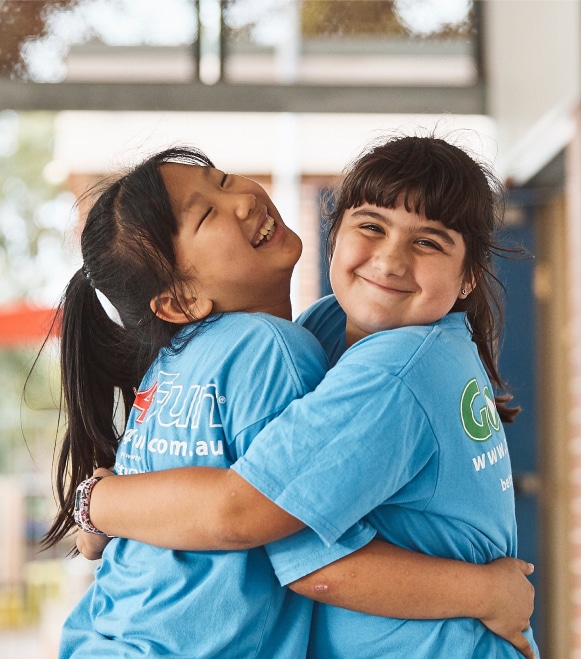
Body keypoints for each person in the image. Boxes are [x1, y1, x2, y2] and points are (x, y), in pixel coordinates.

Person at [46, 144, 535, 659]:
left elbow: (285, 544)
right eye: (371, 227)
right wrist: (485, 591)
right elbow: (243, 517)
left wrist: (97, 506)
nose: (390, 259)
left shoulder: (370, 366)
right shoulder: (313, 333)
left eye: (430, 242)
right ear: (336, 231)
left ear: (469, 274)